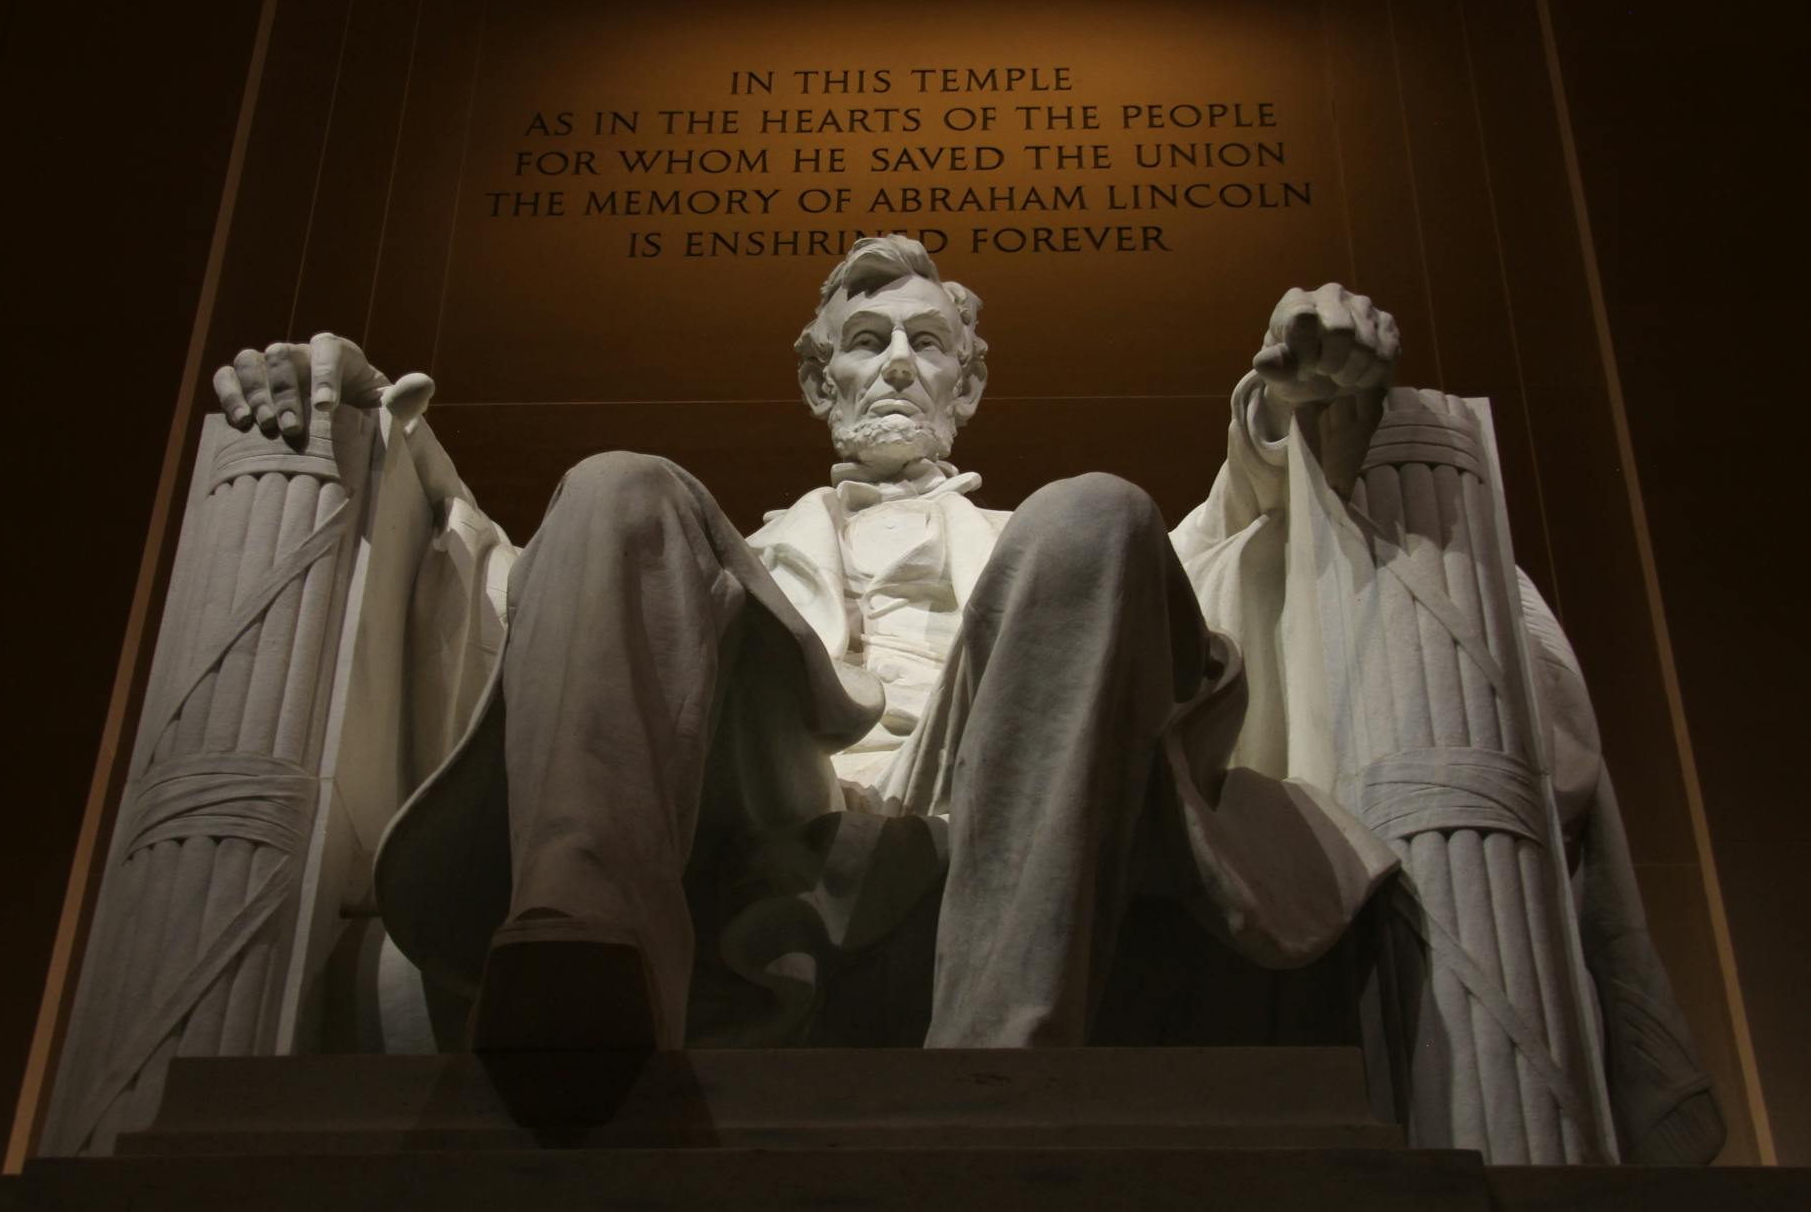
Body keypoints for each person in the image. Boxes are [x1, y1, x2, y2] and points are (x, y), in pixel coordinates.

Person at [214, 237, 1402, 1051]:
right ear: (817, 379)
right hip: (762, 785)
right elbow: (497, 585)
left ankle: (1001, 1058)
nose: (896, 362)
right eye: (864, 339)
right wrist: (367, 428)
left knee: (1096, 508)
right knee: (618, 484)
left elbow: (1234, 539)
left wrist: (1293, 403)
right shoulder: (718, 556)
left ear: (967, 384)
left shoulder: (1037, 546)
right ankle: (580, 953)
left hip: (996, 790)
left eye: (927, 343)